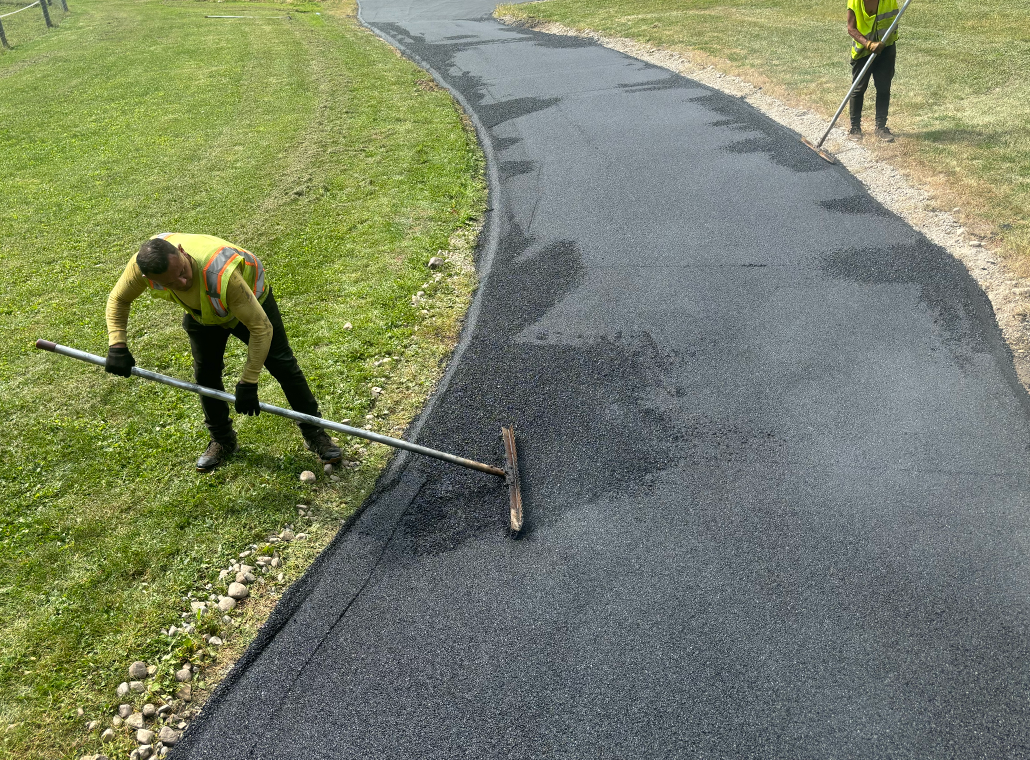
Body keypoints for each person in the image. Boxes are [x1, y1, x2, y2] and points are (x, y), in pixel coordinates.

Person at [105, 233, 342, 472]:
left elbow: (261, 329)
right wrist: (117, 344)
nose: (183, 282)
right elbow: (118, 299)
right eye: (172, 283)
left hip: (249, 299)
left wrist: (249, 381)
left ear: (181, 252)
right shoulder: (142, 267)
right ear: (149, 278)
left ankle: (316, 435)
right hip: (204, 311)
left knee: (283, 365)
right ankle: (222, 440)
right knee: (206, 375)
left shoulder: (220, 274)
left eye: (183, 271)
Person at [846, 0, 899, 142]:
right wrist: (868, 44)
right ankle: (855, 128)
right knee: (858, 89)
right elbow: (851, 28)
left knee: (883, 88)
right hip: (863, 52)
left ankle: (881, 127)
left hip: (886, 48)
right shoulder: (855, 2)